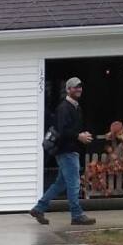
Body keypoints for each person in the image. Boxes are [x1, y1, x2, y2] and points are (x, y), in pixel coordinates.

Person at [31, 77, 95, 226]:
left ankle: (39, 208)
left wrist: (82, 134)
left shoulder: (76, 107)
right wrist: (78, 136)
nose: (78, 89)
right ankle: (77, 215)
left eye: (80, 87)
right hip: (66, 151)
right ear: (68, 90)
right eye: (75, 87)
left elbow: (71, 129)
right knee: (74, 183)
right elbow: (62, 130)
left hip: (70, 150)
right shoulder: (64, 108)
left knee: (60, 184)